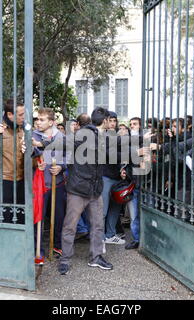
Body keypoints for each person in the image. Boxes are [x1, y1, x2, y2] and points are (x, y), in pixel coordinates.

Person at [57, 107, 113, 275]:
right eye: (110, 120)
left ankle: (96, 257)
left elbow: (121, 144)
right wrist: (40, 144)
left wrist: (140, 141)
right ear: (104, 121)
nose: (111, 123)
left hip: (95, 191)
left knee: (97, 225)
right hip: (78, 190)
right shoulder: (83, 134)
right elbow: (64, 143)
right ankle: (65, 259)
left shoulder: (104, 136)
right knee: (70, 226)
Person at [32, 107, 67, 263]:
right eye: (37, 119)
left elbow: (69, 157)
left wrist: (61, 167)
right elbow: (25, 157)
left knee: (59, 217)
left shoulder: (61, 137)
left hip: (57, 184)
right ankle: (38, 249)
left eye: (42, 119)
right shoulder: (32, 136)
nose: (38, 122)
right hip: (39, 185)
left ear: (51, 122)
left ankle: (57, 245)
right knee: (38, 217)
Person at [102, 111, 126, 245]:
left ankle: (110, 234)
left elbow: (123, 156)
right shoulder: (102, 136)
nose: (112, 123)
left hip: (118, 177)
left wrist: (123, 169)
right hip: (105, 176)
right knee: (103, 210)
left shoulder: (120, 137)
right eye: (110, 121)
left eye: (114, 121)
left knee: (115, 208)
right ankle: (100, 238)